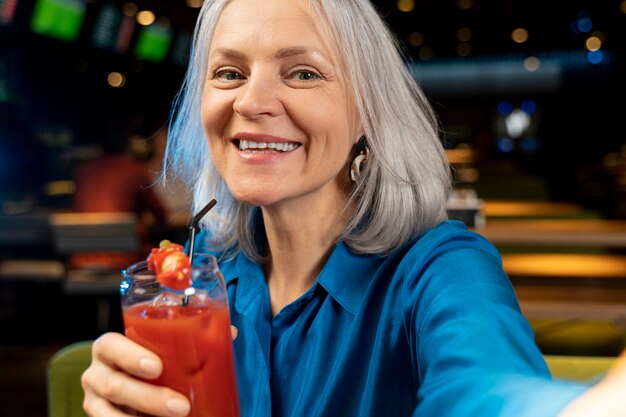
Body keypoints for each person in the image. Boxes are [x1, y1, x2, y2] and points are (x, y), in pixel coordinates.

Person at [80, 0, 626, 416]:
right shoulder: (205, 280)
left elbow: (488, 387)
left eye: (303, 73)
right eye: (229, 73)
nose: (250, 101)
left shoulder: (441, 267)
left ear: (367, 113)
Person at [71, 121, 169, 267]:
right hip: (126, 260)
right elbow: (160, 214)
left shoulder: (82, 172)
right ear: (126, 145)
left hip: (82, 260)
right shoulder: (134, 170)